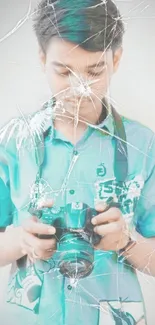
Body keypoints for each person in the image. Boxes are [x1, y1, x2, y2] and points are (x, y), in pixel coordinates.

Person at [0, 0, 155, 324]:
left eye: (95, 71)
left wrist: (125, 242)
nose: (78, 88)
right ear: (42, 60)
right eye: (63, 71)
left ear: (116, 59)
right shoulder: (13, 144)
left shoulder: (144, 146)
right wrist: (21, 240)